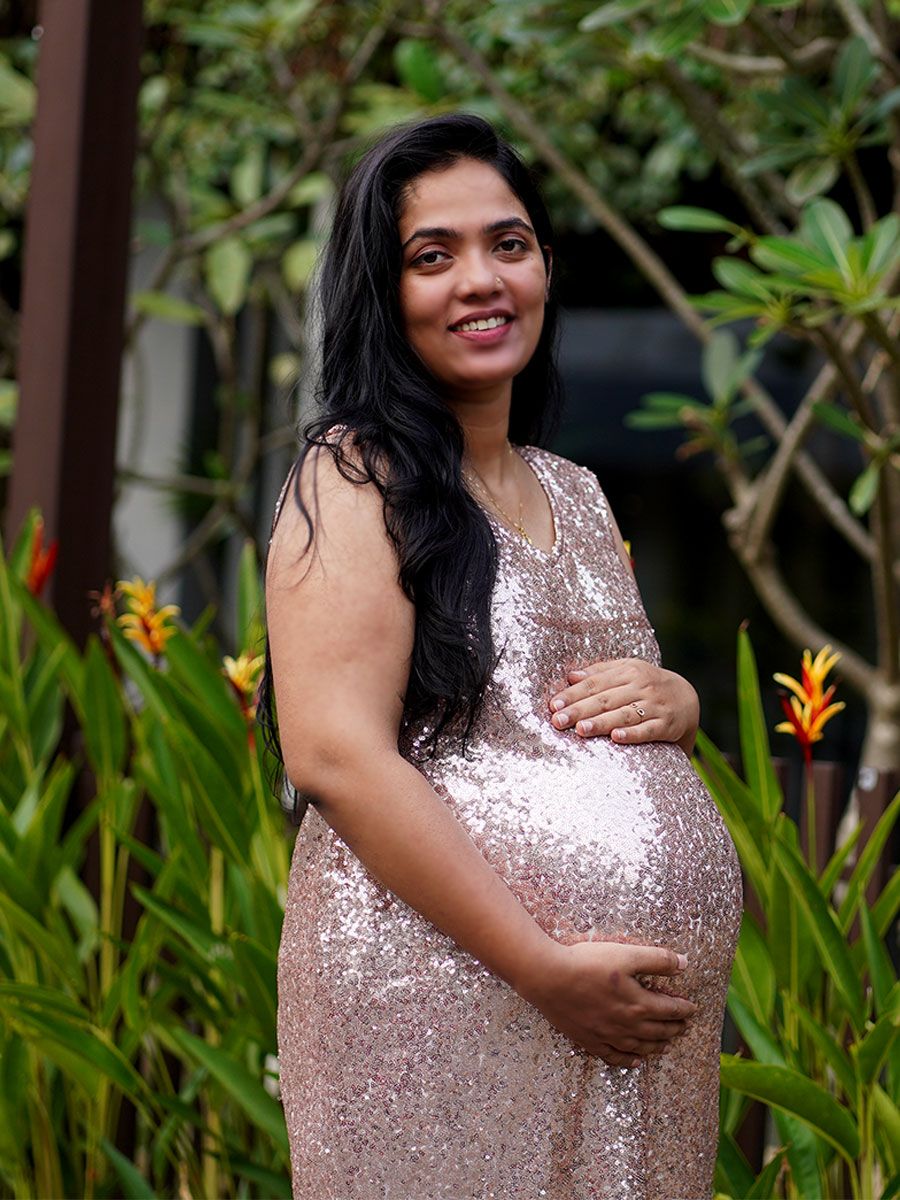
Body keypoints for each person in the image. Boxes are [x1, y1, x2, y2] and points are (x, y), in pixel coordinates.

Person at [261, 113, 742, 1200]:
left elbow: (573, 702)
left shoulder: (575, 488)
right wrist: (542, 966)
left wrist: (675, 699)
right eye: (432, 257)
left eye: (507, 244)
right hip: (447, 1008)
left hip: (620, 1044)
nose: (481, 280)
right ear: (382, 294)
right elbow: (334, 755)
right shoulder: (354, 477)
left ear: (545, 267)